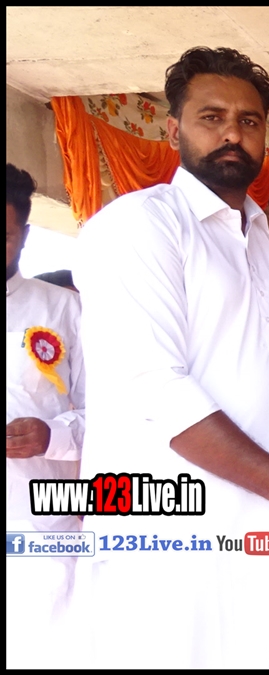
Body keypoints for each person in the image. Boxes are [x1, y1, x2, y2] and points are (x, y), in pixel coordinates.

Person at [69, 47, 269, 668]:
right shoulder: (139, 227)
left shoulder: (267, 245)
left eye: (248, 121)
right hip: (169, 539)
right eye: (211, 117)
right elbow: (157, 392)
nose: (231, 134)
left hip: (263, 534)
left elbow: (253, 378)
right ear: (173, 130)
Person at [6, 163, 86, 669]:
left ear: (25, 235)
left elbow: (117, 417)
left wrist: (52, 435)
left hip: (41, 534)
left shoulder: (64, 312)